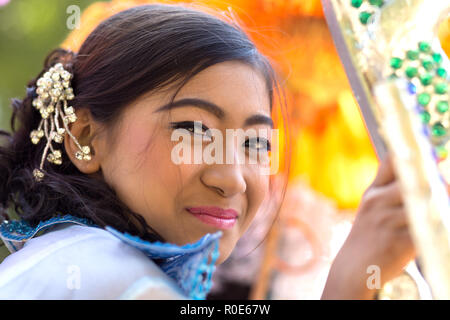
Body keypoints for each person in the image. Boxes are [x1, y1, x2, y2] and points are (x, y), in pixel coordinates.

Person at [0, 3, 414, 300]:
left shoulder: (65, 257)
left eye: (255, 143)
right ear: (84, 138)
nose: (232, 178)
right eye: (194, 130)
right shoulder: (113, 277)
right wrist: (351, 283)